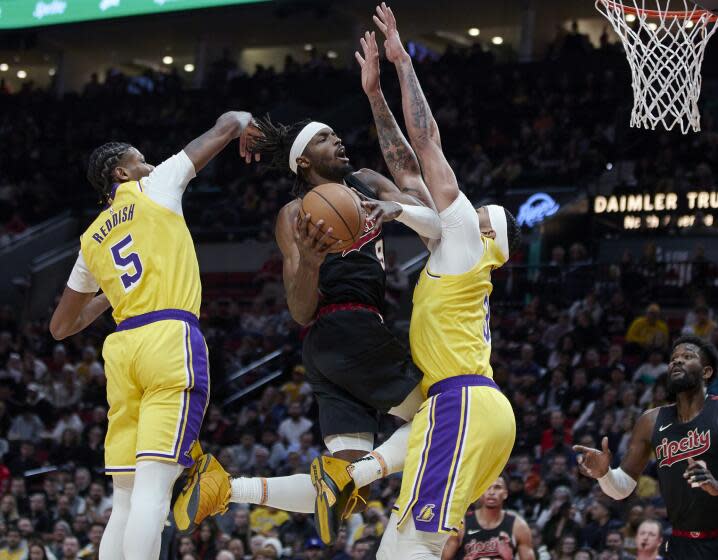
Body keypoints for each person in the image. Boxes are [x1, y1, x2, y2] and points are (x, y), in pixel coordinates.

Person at [177, 12, 445, 544]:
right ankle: (364, 477)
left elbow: (431, 212)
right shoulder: (293, 215)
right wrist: (313, 260)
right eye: (326, 139)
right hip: (349, 330)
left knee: (341, 486)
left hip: (329, 351)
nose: (339, 142)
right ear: (304, 162)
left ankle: (226, 488)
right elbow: (299, 309)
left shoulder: (365, 181)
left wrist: (391, 203)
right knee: (450, 417)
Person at [323, 6, 518, 558]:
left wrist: (402, 61)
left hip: (462, 405)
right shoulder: (454, 249)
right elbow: (407, 173)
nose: (461, 205)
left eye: (479, 211)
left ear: (485, 233)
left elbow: (426, 142)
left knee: (410, 549)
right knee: (409, 546)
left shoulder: (465, 246)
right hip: (462, 407)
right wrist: (373, 95)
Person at [48, 110, 255, 559]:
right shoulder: (154, 186)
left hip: (123, 349)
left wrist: (111, 293)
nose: (150, 163)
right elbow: (223, 127)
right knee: (153, 492)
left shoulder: (89, 239)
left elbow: (60, 327)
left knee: (124, 498)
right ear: (122, 172)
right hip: (168, 337)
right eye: (141, 160)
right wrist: (243, 119)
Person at [575, 336, 718, 559]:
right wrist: (604, 474)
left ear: (706, 372)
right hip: (680, 542)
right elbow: (622, 488)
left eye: (687, 357)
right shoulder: (650, 421)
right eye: (674, 359)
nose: (677, 362)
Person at [442, 477, 535, 559]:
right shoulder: (462, 524)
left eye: (497, 487)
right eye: (487, 487)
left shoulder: (519, 526)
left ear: (505, 494)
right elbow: (443, 558)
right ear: (480, 492)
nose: (491, 492)